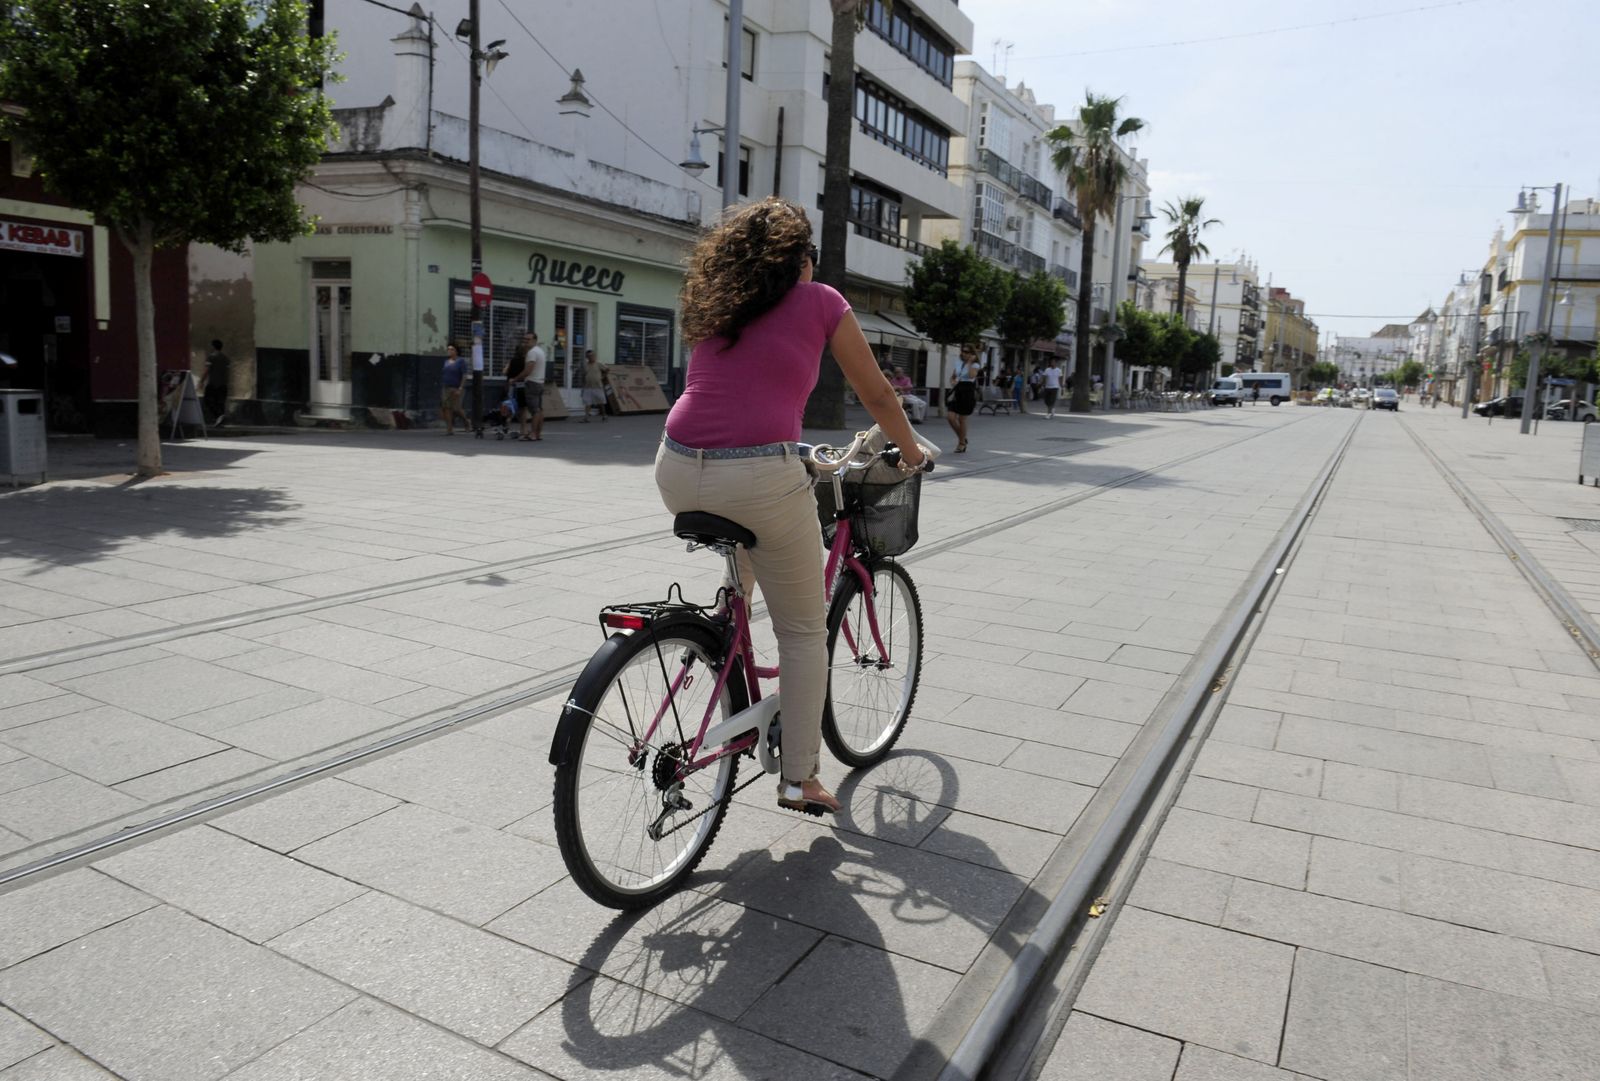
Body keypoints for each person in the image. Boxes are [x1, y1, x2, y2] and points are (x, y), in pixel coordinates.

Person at [657, 197, 927, 816]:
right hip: (757, 477)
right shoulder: (822, 301)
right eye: (810, 253)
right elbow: (878, 395)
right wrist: (911, 454)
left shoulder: (719, 303)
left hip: (675, 465)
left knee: (753, 544)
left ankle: (728, 622)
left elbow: (731, 393)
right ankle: (799, 777)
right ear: (797, 258)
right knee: (804, 631)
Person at [946, 344, 979, 451]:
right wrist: (953, 381)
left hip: (968, 391)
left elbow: (971, 376)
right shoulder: (958, 363)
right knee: (950, 417)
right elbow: (953, 376)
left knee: (962, 419)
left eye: (966, 352)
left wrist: (969, 362)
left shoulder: (975, 365)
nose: (964, 353)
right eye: (963, 351)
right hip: (958, 390)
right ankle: (963, 438)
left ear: (972, 354)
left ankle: (961, 443)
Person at [505, 333, 534, 440]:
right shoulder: (526, 361)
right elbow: (527, 373)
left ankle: (507, 422)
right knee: (523, 409)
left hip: (511, 385)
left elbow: (506, 372)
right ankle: (523, 429)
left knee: (511, 405)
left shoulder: (512, 360)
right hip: (521, 386)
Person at [440, 342, 468, 434]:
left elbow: (464, 375)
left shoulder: (461, 361)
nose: (449, 351)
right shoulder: (446, 362)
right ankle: (449, 428)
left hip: (457, 387)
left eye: (452, 349)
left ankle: (466, 422)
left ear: (456, 351)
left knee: (457, 408)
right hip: (446, 387)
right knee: (447, 407)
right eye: (448, 349)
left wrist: (460, 388)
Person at [525, 332, 549, 440]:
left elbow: (529, 369)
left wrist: (516, 378)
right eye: (525, 339)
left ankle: (533, 434)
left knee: (535, 410)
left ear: (534, 340)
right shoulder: (540, 351)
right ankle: (538, 433)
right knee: (539, 409)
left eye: (528, 339)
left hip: (532, 382)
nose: (526, 341)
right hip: (540, 382)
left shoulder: (532, 352)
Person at [201, 339, 230, 426]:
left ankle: (218, 416)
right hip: (223, 384)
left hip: (213, 383)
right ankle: (220, 420)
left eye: (211, 346)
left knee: (207, 400)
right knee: (220, 402)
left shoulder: (211, 357)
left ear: (213, 347)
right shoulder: (226, 358)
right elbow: (227, 372)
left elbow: (207, 370)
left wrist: (201, 381)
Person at [580, 349, 610, 422]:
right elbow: (583, 375)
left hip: (597, 386)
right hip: (588, 386)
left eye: (592, 355)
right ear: (587, 357)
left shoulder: (598, 364)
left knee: (601, 401)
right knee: (587, 402)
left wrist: (603, 377)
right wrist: (583, 385)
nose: (591, 357)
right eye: (589, 356)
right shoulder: (585, 365)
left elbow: (607, 369)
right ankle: (586, 418)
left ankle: (604, 415)